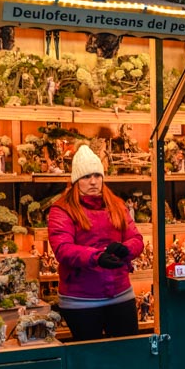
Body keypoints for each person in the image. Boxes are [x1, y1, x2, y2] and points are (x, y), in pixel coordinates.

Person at [47, 144, 145, 341]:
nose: (93, 181)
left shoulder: (116, 204)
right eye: (86, 177)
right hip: (81, 299)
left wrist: (125, 249)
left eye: (97, 175)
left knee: (127, 353)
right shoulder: (62, 210)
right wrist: (97, 258)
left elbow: (137, 238)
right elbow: (63, 249)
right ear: (76, 180)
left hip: (120, 292)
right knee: (90, 359)